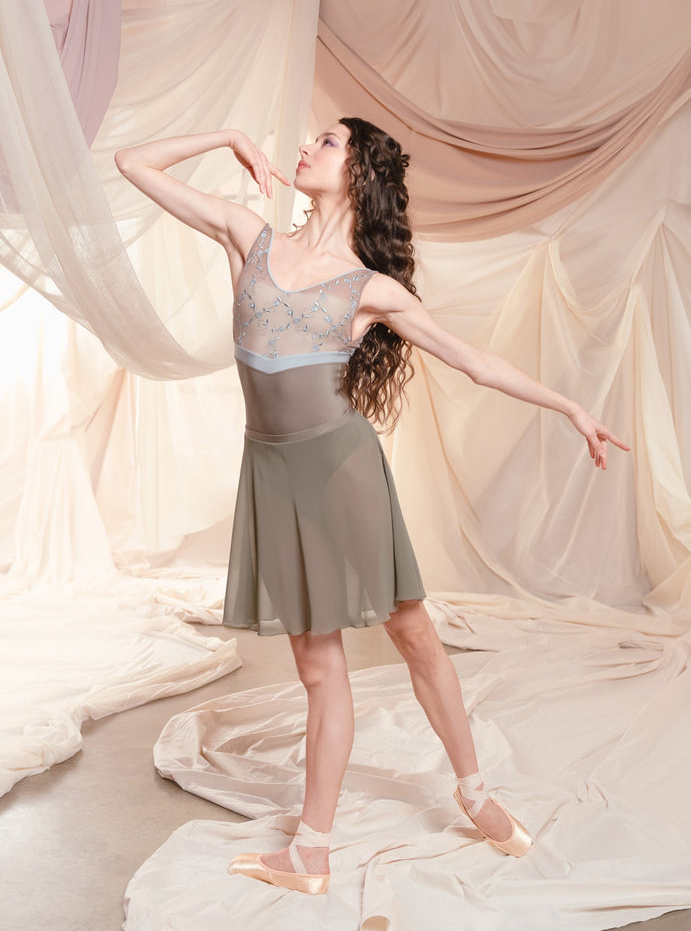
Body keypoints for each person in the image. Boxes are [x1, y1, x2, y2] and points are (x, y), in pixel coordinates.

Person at [116, 118, 629, 896]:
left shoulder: (371, 289)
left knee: (413, 633)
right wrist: (221, 135)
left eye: (324, 142)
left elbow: (477, 363)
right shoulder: (246, 233)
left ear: (358, 172)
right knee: (318, 669)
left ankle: (476, 792)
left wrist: (570, 408)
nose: (302, 147)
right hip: (273, 475)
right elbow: (132, 158)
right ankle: (312, 853)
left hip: (342, 470)